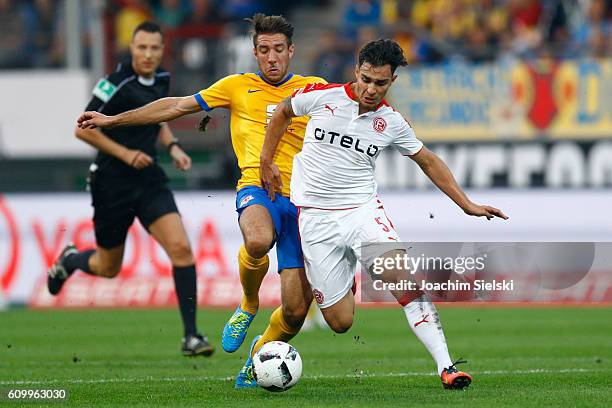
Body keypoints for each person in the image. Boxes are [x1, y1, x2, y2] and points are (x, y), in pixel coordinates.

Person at [76, 14, 326, 388]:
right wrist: (112, 121)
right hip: (258, 189)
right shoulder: (236, 86)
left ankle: (257, 357)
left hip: (305, 202)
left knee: (294, 312)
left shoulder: (316, 88)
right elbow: (174, 106)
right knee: (257, 239)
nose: (272, 58)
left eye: (278, 50)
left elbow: (357, 116)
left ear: (291, 51)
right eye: (263, 50)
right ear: (254, 53)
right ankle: (248, 304)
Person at [260, 39, 509, 389]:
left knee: (403, 281)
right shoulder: (322, 96)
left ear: (392, 81)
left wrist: (465, 203)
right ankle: (347, 275)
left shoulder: (391, 122)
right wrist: (266, 161)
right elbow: (283, 111)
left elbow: (427, 160)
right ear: (356, 71)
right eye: (365, 79)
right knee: (340, 322)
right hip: (316, 219)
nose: (371, 89)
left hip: (362, 213)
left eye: (380, 83)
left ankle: (447, 367)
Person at [47, 21, 214, 357]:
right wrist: (125, 154)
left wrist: (173, 147)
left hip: (149, 180)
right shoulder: (114, 83)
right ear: (132, 48)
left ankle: (191, 337)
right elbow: (83, 129)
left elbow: (158, 119)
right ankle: (72, 260)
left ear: (162, 49)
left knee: (181, 249)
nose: (148, 54)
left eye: (154, 48)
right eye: (142, 48)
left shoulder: (163, 80)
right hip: (112, 183)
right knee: (108, 268)